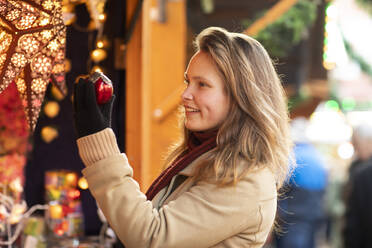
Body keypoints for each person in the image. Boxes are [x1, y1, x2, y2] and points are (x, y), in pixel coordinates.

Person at [72, 27, 293, 248]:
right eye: (188, 82)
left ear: (240, 96)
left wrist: (99, 145)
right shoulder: (205, 157)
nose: (185, 95)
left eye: (202, 84)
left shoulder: (246, 179)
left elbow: (151, 237)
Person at [274, 117, 328, 248]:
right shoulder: (317, 156)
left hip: (294, 216)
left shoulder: (292, 156)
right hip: (314, 214)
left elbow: (280, 183)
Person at [343, 123, 372, 248]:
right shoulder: (357, 169)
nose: (355, 149)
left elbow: (354, 221)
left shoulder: (362, 173)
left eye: (357, 144)